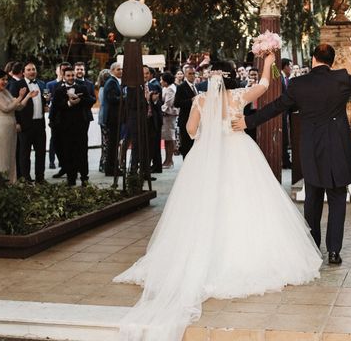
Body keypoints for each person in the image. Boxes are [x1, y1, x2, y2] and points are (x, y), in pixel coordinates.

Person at [114, 53, 321, 341]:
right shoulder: (238, 96)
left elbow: (190, 130)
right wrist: (268, 61)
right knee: (246, 205)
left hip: (205, 160)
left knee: (200, 208)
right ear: (231, 77)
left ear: (211, 78)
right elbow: (263, 84)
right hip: (240, 152)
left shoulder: (200, 101)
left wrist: (207, 133)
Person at [233, 35, 351, 265]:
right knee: (338, 200)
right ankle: (334, 252)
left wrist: (248, 122)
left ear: (313, 59)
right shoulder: (341, 79)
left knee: (313, 200)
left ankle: (312, 248)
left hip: (312, 150)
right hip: (338, 149)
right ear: (331, 61)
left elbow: (276, 107)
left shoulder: (299, 85)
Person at [0, 69, 36, 184]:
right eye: (2, 79)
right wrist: (19, 97)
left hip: (11, 126)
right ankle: (3, 182)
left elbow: (18, 107)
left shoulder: (5, 92)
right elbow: (6, 108)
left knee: (11, 155)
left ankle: (12, 182)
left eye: (6, 79)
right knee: (2, 155)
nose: (5, 82)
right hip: (1, 126)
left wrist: (27, 96)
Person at [51, 66, 96, 186]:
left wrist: (80, 100)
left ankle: (84, 177)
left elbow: (91, 100)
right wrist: (69, 103)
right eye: (68, 76)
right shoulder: (59, 89)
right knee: (67, 151)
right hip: (65, 126)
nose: (71, 78)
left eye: (72, 75)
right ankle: (71, 178)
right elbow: (55, 106)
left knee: (82, 151)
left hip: (80, 124)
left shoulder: (82, 87)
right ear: (64, 76)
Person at [9, 62, 47, 183]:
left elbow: (44, 100)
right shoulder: (16, 85)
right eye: (29, 69)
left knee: (41, 153)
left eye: (33, 69)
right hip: (25, 124)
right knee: (24, 154)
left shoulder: (41, 84)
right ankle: (26, 179)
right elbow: (13, 105)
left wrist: (47, 102)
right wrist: (17, 122)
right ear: (23, 72)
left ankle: (40, 178)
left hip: (40, 124)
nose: (32, 71)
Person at [103, 62, 123, 176]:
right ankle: (111, 168)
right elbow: (112, 98)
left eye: (121, 69)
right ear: (112, 71)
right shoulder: (111, 82)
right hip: (112, 117)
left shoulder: (115, 81)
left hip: (115, 117)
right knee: (112, 144)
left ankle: (112, 167)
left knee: (114, 144)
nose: (121, 71)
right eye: (118, 69)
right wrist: (125, 97)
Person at [173, 66, 198, 159]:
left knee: (194, 144)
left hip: (196, 120)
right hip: (185, 120)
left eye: (193, 73)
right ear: (185, 75)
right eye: (190, 74)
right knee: (186, 145)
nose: (192, 76)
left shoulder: (196, 86)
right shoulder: (181, 87)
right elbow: (176, 103)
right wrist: (190, 101)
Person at [160, 72, 178, 168]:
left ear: (166, 81)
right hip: (167, 115)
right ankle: (167, 160)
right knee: (167, 139)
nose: (160, 82)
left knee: (169, 138)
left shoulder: (170, 89)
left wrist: (160, 109)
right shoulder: (166, 88)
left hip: (169, 115)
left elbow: (168, 103)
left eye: (161, 80)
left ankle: (169, 160)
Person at [96, 69, 111, 173]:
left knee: (106, 143)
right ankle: (104, 164)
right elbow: (104, 104)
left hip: (103, 118)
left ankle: (104, 164)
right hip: (105, 118)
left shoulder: (102, 88)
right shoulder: (103, 89)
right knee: (106, 143)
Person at [281, 58, 293, 169]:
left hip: (285, 113)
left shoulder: (285, 79)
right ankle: (285, 160)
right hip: (280, 113)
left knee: (285, 137)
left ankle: (286, 160)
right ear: (285, 66)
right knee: (283, 137)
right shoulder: (279, 78)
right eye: (290, 66)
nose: (291, 69)